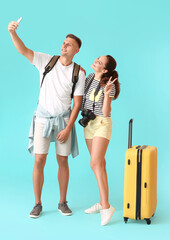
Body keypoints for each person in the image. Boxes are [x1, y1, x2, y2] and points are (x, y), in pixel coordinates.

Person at [8, 20, 85, 218]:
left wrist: (68, 128)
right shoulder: (47, 61)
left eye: (69, 44)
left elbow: (77, 104)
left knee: (62, 161)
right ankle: (37, 203)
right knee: (39, 160)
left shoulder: (79, 72)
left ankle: (62, 202)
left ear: (76, 50)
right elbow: (23, 51)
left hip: (63, 121)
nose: (64, 45)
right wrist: (12, 33)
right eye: (64, 42)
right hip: (42, 118)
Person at [80, 55, 120, 226]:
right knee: (100, 165)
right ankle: (102, 201)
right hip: (88, 124)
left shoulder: (107, 84)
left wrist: (106, 93)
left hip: (102, 123)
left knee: (95, 163)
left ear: (105, 70)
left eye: (100, 62)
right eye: (97, 58)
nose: (95, 61)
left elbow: (105, 111)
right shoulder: (89, 78)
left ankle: (105, 206)